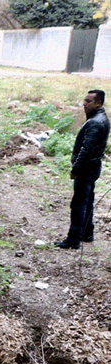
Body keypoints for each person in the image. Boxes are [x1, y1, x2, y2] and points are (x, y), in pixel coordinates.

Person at [55, 90, 110, 249]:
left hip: (87, 168)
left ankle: (73, 239)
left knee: (78, 203)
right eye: (85, 100)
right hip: (93, 167)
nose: (85, 104)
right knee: (88, 200)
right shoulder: (102, 118)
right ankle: (87, 232)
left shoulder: (95, 122)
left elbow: (86, 150)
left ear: (98, 103)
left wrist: (75, 169)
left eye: (89, 101)